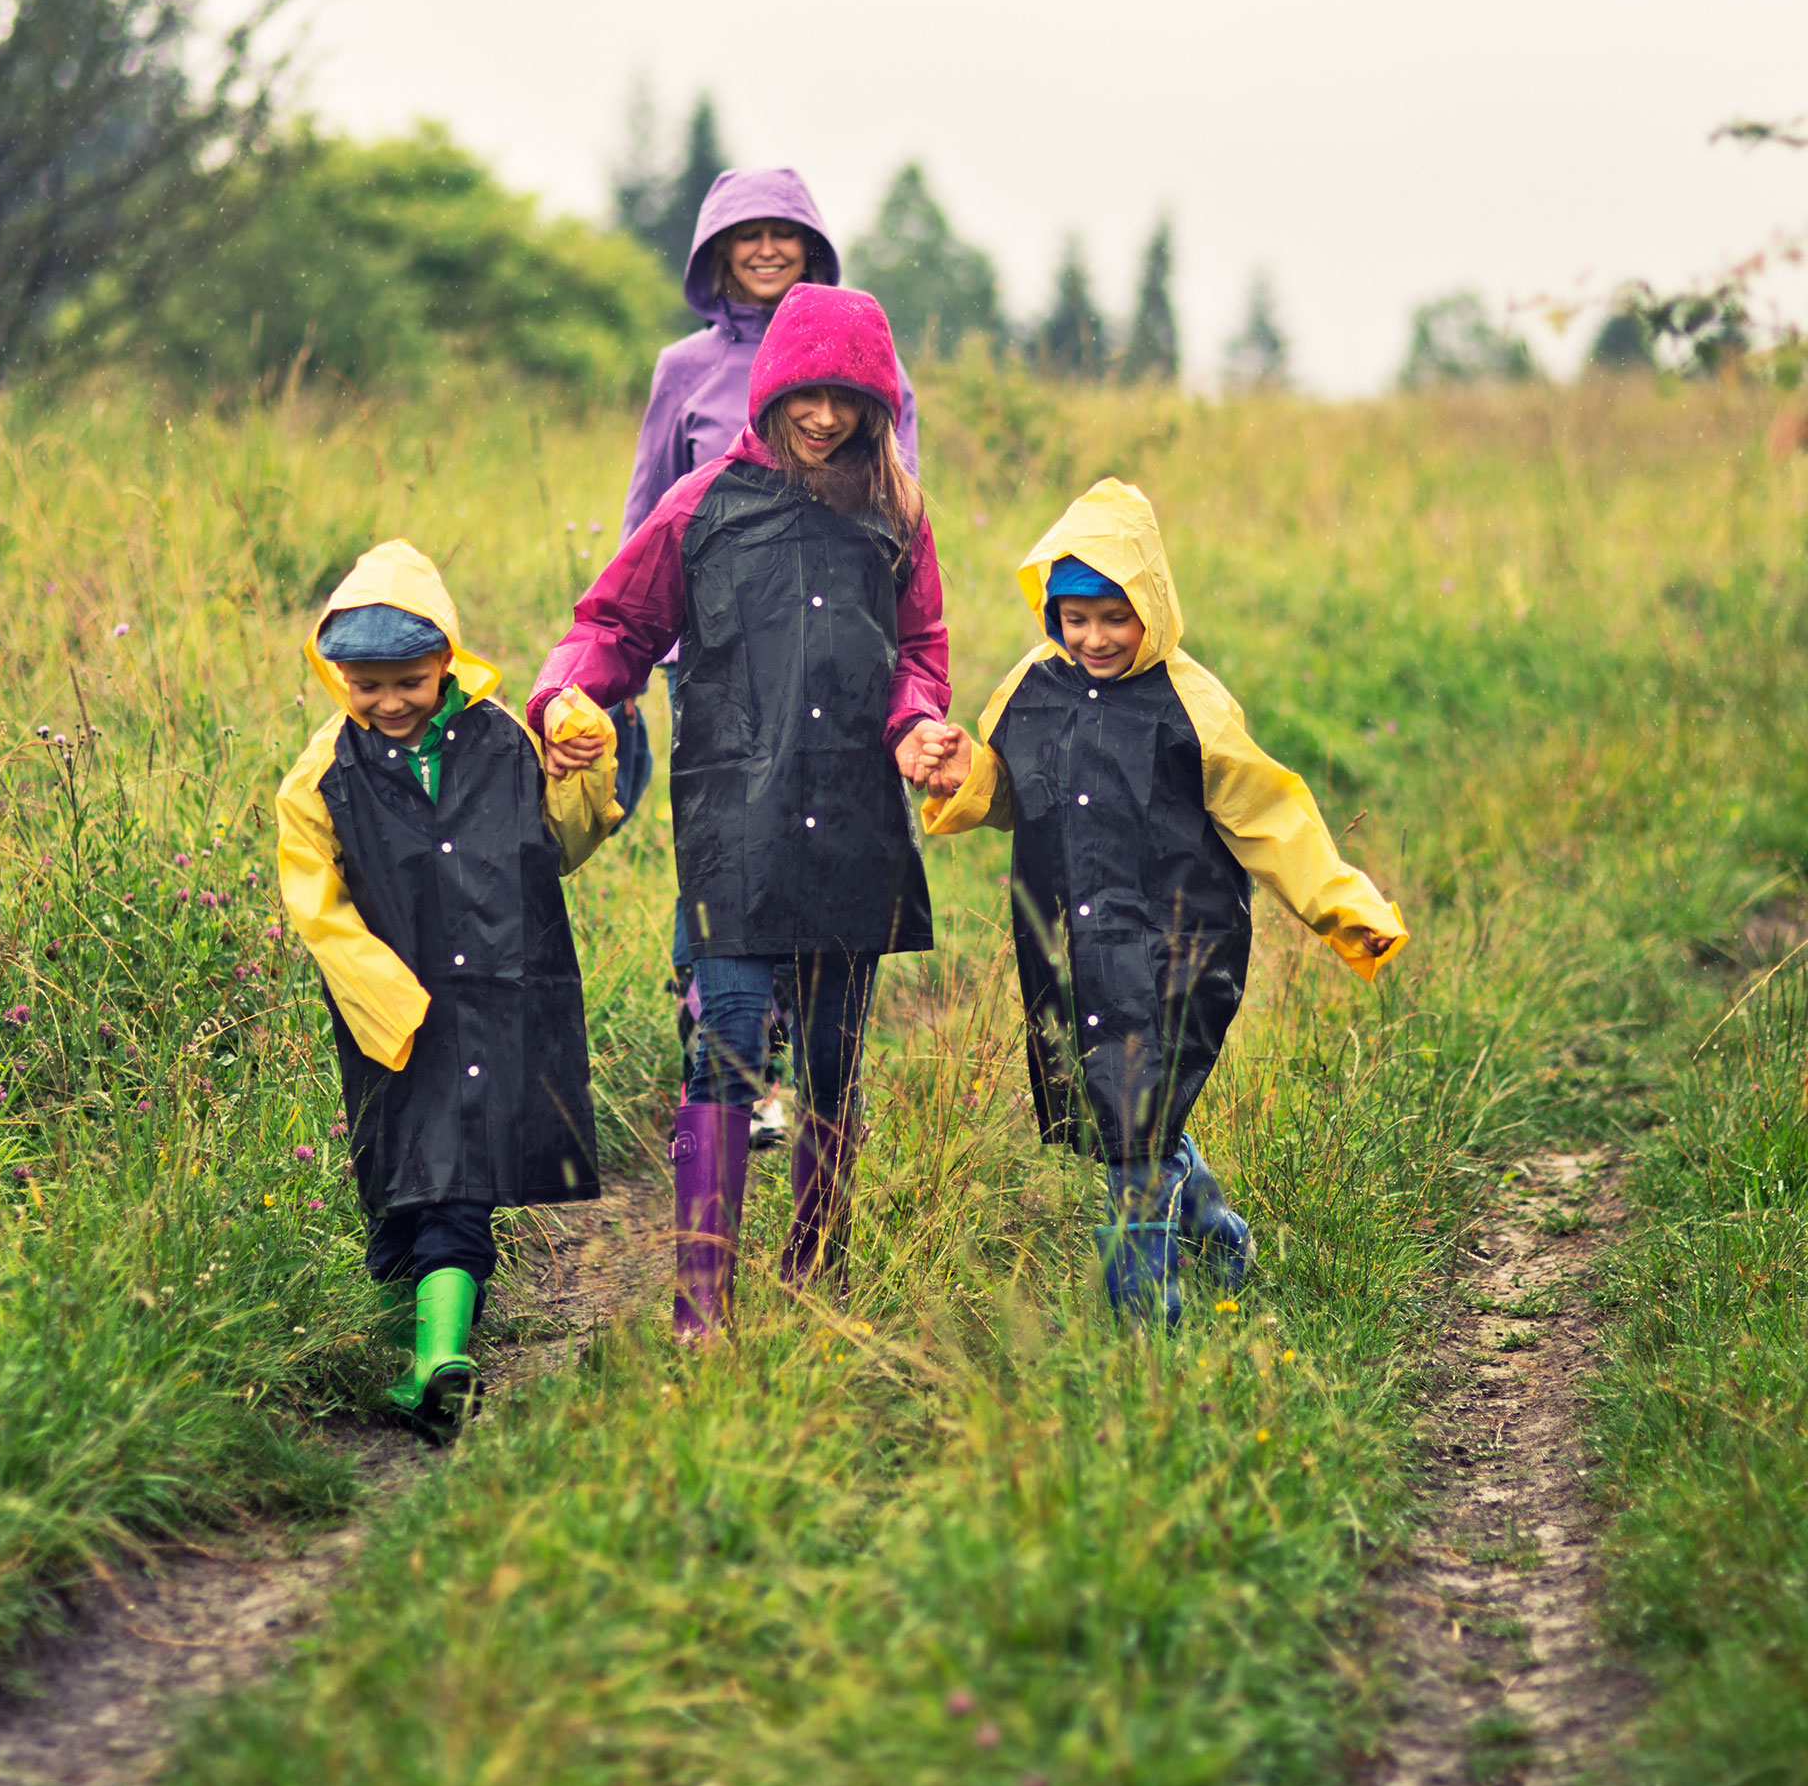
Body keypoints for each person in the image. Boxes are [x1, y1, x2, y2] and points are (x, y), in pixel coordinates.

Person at [533, 285, 955, 1339]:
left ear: (877, 405)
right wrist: (569, 697)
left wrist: (914, 723)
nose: (824, 418)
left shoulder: (896, 516)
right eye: (806, 395)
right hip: (732, 822)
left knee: (830, 1058)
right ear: (771, 390)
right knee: (721, 1042)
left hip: (853, 820)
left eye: (849, 401)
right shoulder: (700, 506)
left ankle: (814, 1271)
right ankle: (700, 1306)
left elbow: (920, 652)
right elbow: (612, 626)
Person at [920, 479, 1408, 1328]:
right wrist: (966, 772)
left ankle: (1148, 1337)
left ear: (1151, 604)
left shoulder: (1193, 702)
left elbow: (1269, 813)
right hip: (1069, 945)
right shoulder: (1033, 685)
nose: (1095, 637)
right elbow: (1011, 789)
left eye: (1116, 616)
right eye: (1076, 618)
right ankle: (1214, 1225)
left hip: (1178, 944)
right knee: (1114, 1116)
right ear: (1052, 614)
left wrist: (1340, 906)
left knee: (1134, 1129)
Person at [277, 540, 622, 1437]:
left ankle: (440, 1363)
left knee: (458, 1182)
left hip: (503, 994)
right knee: (401, 1184)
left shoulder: (508, 740)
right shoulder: (323, 776)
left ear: (446, 664)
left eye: (410, 682)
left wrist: (583, 765)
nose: (388, 703)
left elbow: (560, 845)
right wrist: (381, 992)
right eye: (365, 685)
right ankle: (411, 1344)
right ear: (335, 675)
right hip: (397, 1013)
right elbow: (316, 902)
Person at [616, 168, 923, 1148]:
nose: (761, 251)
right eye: (741, 236)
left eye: (779, 235)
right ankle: (721, 1034)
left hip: (828, 653)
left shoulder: (870, 367)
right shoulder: (681, 368)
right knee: (725, 834)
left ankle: (785, 1032)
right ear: (712, 251)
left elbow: (891, 499)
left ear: (810, 245)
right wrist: (642, 651)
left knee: (821, 838)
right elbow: (650, 509)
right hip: (713, 647)